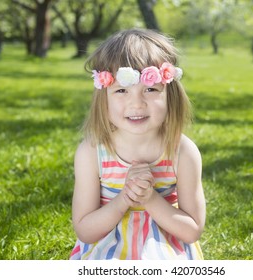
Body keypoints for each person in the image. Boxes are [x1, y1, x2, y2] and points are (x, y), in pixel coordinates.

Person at [70, 28, 205, 260]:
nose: (137, 103)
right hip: (107, 247)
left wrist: (150, 199)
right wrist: (124, 199)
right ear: (104, 97)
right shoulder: (92, 152)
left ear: (169, 95)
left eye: (150, 89)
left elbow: (192, 230)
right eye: (121, 90)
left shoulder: (183, 152)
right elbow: (85, 230)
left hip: (165, 246)